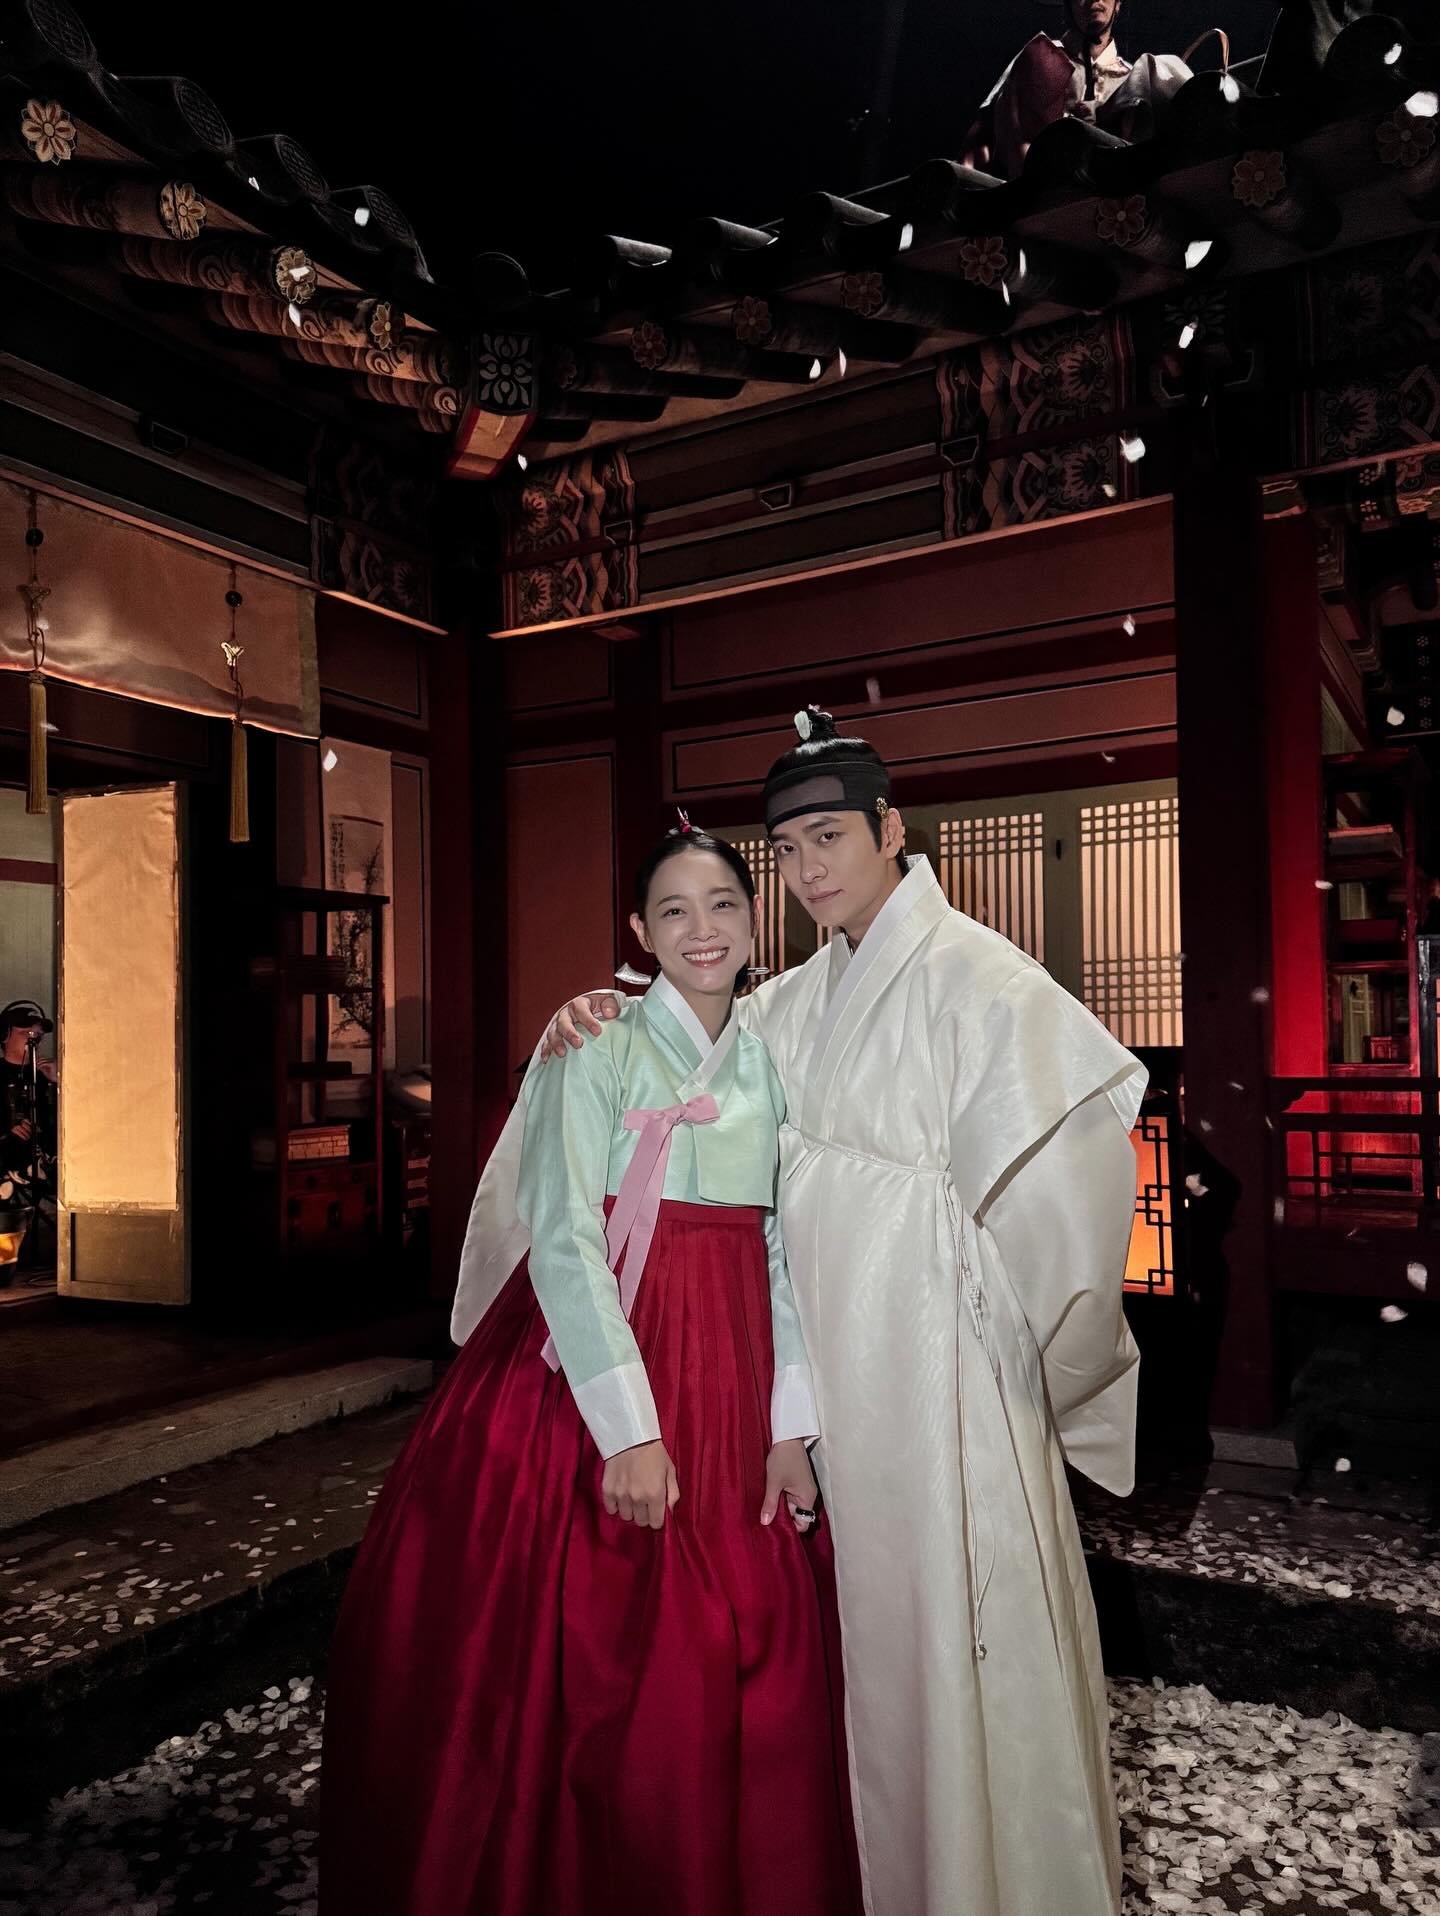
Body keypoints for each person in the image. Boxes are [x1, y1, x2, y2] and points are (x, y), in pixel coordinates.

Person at [542, 711, 1147, 1916]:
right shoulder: (795, 998)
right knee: (858, 1650)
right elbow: (694, 1041)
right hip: (826, 1373)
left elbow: (1071, 1199)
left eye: (831, 835)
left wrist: (1051, 1369)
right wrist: (596, 1011)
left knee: (953, 1638)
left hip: (943, 1374)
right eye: (788, 848)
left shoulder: (985, 981)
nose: (810, 867)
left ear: (891, 828)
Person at [319, 822, 861, 1916]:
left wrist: (789, 1424)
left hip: (734, 1353)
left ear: (755, 916)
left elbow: (779, 1247)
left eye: (722, 904)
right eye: (673, 910)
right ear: (639, 931)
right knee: (582, 1641)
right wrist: (629, 1430)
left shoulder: (775, 1051)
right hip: (599, 1350)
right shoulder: (594, 1041)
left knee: (745, 1632)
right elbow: (563, 1232)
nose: (701, 929)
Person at [963, 0, 1192, 179]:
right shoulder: (1041, 57)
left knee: (1161, 67)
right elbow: (982, 140)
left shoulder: (1138, 78)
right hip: (1039, 183)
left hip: (1115, 186)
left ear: (1118, 5)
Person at [0, 1001, 56, 1186]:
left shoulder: (47, 1075)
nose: (33, 1039)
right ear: (4, 1035)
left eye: (37, 1035)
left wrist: (59, 1083)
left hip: (46, 1164)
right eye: (26, 1033)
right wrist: (7, 1132)